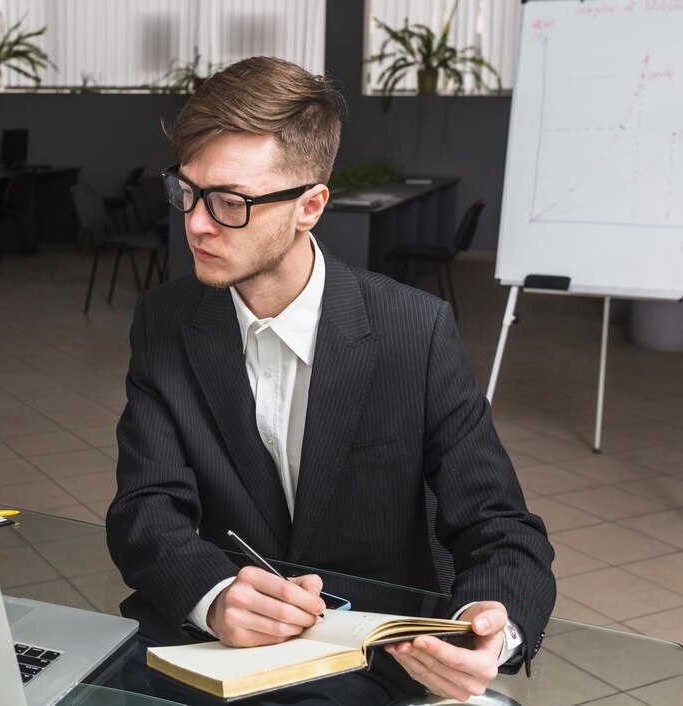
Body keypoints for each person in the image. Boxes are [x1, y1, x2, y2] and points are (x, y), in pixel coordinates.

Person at [106, 56, 555, 703]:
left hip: (368, 660)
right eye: (188, 190)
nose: (197, 222)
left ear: (311, 205)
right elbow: (145, 507)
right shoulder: (164, 320)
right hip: (213, 651)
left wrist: (494, 628)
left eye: (230, 202)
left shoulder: (413, 329)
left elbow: (499, 526)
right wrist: (211, 596)